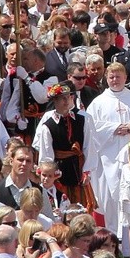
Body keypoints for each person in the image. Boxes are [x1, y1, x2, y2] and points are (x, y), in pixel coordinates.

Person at [86, 62, 130, 234]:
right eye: (111, 77)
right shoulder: (98, 103)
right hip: (108, 157)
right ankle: (113, 234)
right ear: (106, 78)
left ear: (125, 78)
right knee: (110, 197)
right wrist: (114, 128)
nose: (115, 80)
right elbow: (91, 128)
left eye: (118, 76)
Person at [33, 80, 94, 210]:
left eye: (68, 97)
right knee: (62, 207)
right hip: (60, 171)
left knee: (82, 208)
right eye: (62, 98)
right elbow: (46, 156)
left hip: (79, 168)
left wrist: (87, 171)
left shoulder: (83, 119)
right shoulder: (47, 126)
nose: (66, 101)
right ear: (55, 101)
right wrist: (50, 175)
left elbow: (89, 146)